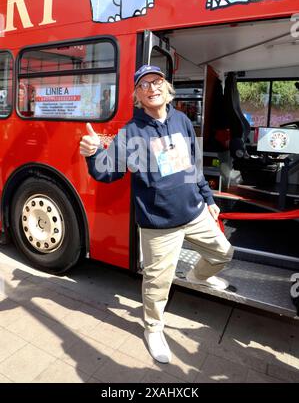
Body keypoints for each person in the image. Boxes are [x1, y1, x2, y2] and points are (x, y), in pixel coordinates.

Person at [79, 65, 234, 364]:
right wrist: (93, 153)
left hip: (194, 211)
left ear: (167, 88)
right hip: (159, 223)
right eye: (144, 84)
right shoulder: (131, 132)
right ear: (137, 95)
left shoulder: (182, 121)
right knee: (156, 284)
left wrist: (207, 197)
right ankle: (153, 328)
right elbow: (107, 172)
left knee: (223, 254)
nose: (152, 87)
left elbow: (194, 165)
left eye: (157, 81)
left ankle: (196, 276)